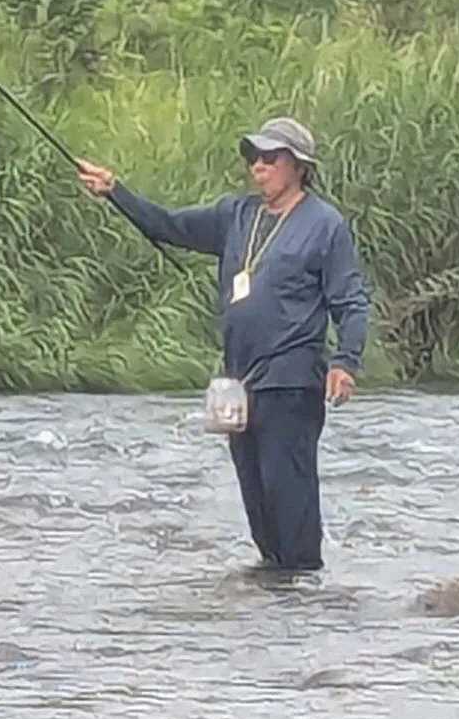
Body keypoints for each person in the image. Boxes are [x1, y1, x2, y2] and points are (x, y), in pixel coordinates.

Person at [75, 116, 371, 574]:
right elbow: (167, 225)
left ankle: (306, 598)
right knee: (257, 503)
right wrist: (116, 191)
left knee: (288, 498)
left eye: (271, 158)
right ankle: (275, 586)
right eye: (254, 156)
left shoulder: (324, 224)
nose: (259, 166)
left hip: (290, 384)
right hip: (238, 385)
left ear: (299, 165)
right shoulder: (235, 215)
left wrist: (345, 362)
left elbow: (350, 300)